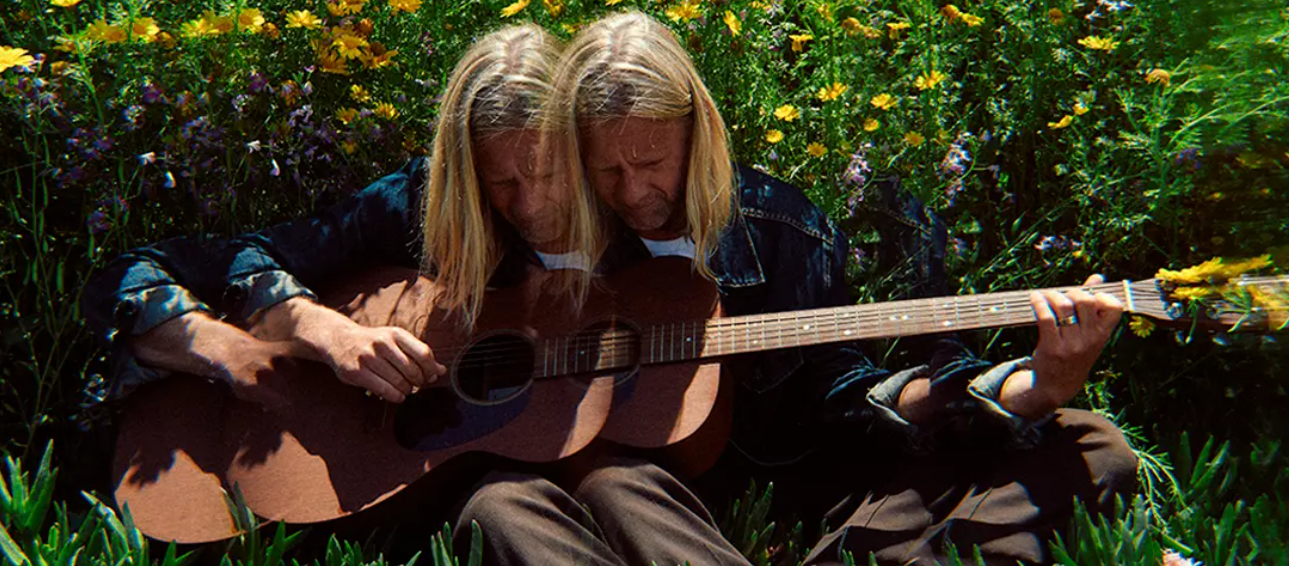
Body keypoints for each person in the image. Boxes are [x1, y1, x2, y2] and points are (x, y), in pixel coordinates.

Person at [83, 23, 752, 566]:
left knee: (623, 486)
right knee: (500, 508)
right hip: (441, 481)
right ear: (464, 172)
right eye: (499, 182)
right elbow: (155, 271)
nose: (528, 202)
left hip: (596, 470)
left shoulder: (632, 221)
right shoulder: (418, 206)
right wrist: (316, 332)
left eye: (546, 172)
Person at [549, 11, 1138, 565]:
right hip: (672, 510)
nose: (631, 192)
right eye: (608, 171)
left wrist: (1029, 387)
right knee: (614, 483)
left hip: (811, 498)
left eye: (651, 162)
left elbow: (840, 393)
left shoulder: (777, 227)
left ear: (697, 131)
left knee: (1091, 443)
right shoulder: (567, 242)